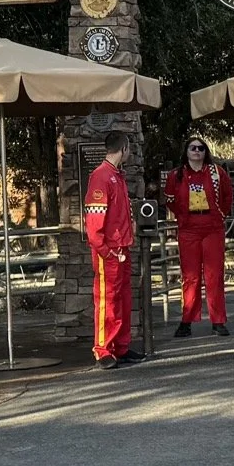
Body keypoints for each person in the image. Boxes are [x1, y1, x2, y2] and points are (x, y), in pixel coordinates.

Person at [163, 136, 234, 338]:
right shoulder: (176, 175)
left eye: (201, 148)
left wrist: (221, 214)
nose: (197, 151)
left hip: (212, 228)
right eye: (192, 148)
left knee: (214, 275)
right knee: (190, 277)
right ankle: (187, 320)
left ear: (206, 152)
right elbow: (169, 198)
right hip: (189, 229)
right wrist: (182, 215)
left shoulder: (216, 173)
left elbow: (228, 194)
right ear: (186, 151)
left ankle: (218, 320)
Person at [84, 131, 142, 369]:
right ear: (124, 148)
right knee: (107, 300)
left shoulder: (117, 176)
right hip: (109, 251)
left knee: (122, 299)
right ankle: (103, 349)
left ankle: (120, 346)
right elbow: (95, 221)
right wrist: (105, 250)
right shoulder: (101, 177)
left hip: (122, 248)